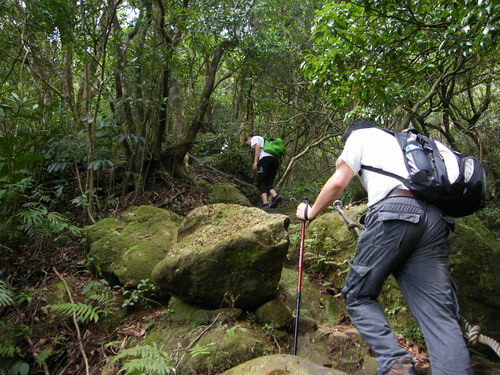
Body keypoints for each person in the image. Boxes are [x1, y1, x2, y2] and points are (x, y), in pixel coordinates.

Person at [296, 120, 473, 375]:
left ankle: (396, 365)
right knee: (439, 314)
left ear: (352, 133)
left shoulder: (360, 136)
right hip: (435, 221)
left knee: (358, 295)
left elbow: (338, 183)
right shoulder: (413, 143)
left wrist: (310, 212)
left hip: (394, 213)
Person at [245, 134, 282, 209]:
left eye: (247, 143)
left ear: (249, 138)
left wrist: (255, 162)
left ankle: (265, 204)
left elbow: (257, 146)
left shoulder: (255, 138)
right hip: (275, 161)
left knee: (261, 181)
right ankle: (276, 196)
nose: (248, 145)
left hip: (265, 160)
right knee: (268, 182)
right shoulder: (266, 141)